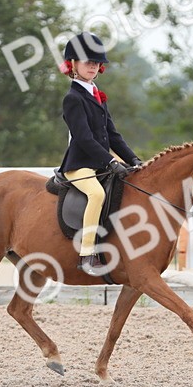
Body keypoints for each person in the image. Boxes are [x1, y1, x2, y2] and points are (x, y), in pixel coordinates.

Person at [57, 32, 142, 276]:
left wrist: (133, 160)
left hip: (102, 164)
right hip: (79, 165)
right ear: (73, 64)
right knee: (96, 194)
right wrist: (111, 161)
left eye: (96, 63)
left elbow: (113, 135)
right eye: (87, 62)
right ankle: (87, 254)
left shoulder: (97, 95)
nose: (93, 67)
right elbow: (84, 138)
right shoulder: (73, 98)